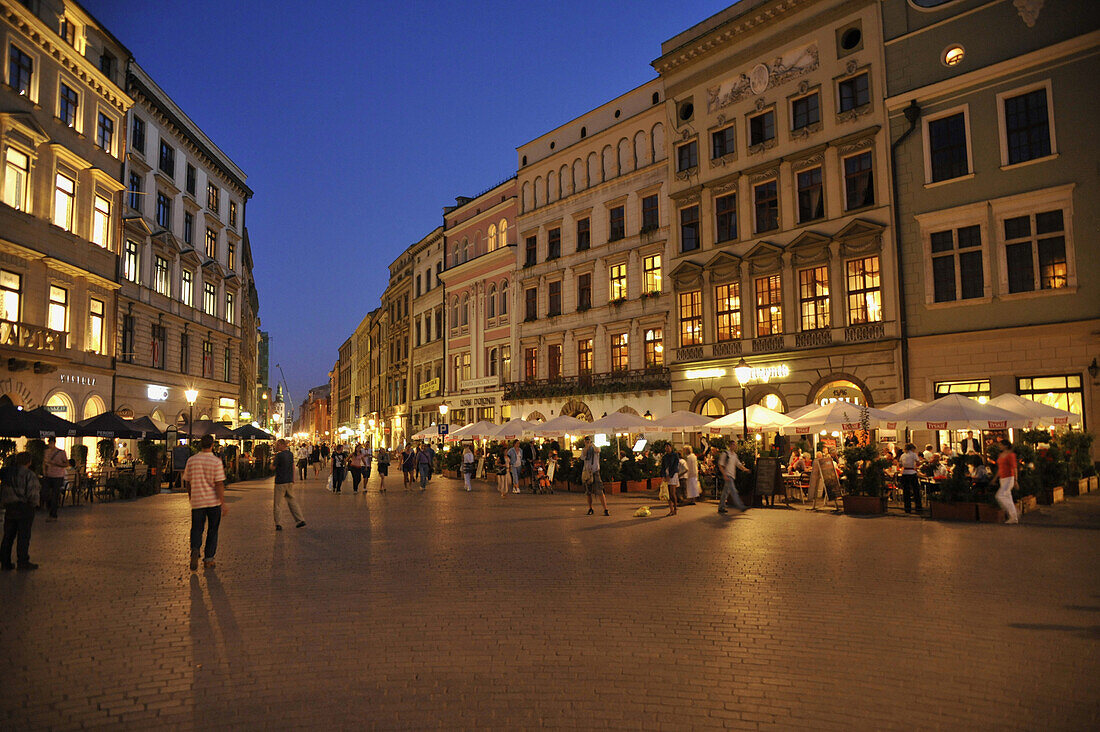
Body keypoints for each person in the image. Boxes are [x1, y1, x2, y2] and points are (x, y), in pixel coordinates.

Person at [183, 435, 227, 571]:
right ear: (212, 445)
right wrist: (223, 502)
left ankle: (195, 549)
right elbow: (219, 483)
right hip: (213, 502)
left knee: (196, 528)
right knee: (212, 530)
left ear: (200, 444)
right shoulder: (216, 461)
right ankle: (209, 559)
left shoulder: (192, 460)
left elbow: (188, 481)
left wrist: (191, 496)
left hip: (197, 501)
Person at [1, 452, 40, 570]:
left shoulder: (7, 473)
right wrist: (33, 505)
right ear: (29, 462)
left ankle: (5, 562)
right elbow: (33, 493)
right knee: (23, 536)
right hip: (24, 507)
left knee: (8, 535)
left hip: (10, 506)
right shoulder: (29, 474)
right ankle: (23, 561)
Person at [272, 439, 305, 531]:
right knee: (292, 501)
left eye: (277, 445)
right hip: (289, 481)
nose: (276, 446)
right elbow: (293, 467)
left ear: (282, 445)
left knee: (277, 504)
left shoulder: (279, 455)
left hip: (280, 481)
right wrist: (293, 478)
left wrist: (272, 461)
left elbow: (272, 467)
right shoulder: (290, 454)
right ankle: (300, 519)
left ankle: (278, 523)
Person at [717, 444, 750, 514]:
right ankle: (741, 506)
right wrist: (724, 475)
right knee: (733, 491)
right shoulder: (725, 454)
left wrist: (745, 469)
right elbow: (720, 465)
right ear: (730, 446)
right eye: (734, 445)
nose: (735, 446)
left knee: (725, 492)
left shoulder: (734, 455)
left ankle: (721, 507)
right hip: (728, 475)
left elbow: (738, 464)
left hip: (731, 475)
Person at [42, 437, 68, 522]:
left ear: (54, 443)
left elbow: (66, 464)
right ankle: (50, 509)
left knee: (54, 495)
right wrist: (44, 472)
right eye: (49, 442)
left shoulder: (61, 452)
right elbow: (44, 462)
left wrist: (56, 464)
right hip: (48, 475)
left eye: (51, 442)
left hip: (58, 476)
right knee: (45, 493)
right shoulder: (46, 452)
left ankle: (53, 514)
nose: (50, 444)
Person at [581, 436, 609, 516]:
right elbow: (584, 455)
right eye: (586, 441)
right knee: (588, 492)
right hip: (587, 472)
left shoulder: (596, 448)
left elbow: (598, 450)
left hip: (595, 471)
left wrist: (591, 444)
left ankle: (605, 509)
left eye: (589, 440)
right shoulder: (584, 449)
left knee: (600, 490)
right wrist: (587, 446)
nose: (588, 442)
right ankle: (590, 508)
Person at [995, 439, 1020, 525]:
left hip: (1009, 478)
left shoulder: (1010, 455)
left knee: (1000, 495)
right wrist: (995, 478)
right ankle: (1013, 517)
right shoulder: (1001, 455)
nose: (999, 446)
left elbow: (1014, 467)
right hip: (1002, 478)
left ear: (1005, 446)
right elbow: (1000, 468)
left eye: (1001, 445)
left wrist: (1016, 480)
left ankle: (1014, 513)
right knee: (1008, 497)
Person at [898, 443, 921, 514]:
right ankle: (918, 507)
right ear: (912, 448)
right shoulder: (913, 454)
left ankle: (907, 508)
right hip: (912, 473)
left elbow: (900, 464)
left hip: (904, 473)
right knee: (916, 490)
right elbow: (918, 463)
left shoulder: (903, 455)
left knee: (906, 491)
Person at [660, 444, 680, 516]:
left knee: (672, 492)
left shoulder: (675, 455)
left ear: (671, 448)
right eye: (666, 447)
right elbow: (662, 467)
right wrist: (663, 476)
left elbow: (675, 466)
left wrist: (670, 475)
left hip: (673, 474)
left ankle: (675, 508)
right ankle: (671, 509)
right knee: (667, 493)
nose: (667, 448)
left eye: (668, 447)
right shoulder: (665, 457)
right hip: (666, 474)